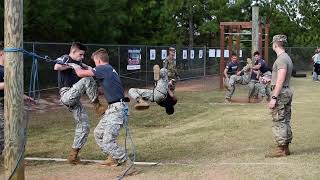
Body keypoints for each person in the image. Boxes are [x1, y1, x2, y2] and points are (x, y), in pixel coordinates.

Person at [68, 48, 134, 169]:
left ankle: (128, 164)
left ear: (98, 60)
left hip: (118, 109)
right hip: (113, 108)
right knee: (98, 133)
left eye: (94, 62)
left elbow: (81, 74)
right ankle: (112, 157)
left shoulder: (103, 68)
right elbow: (105, 90)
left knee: (108, 141)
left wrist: (74, 65)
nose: (94, 65)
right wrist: (93, 90)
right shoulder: (109, 70)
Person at [54, 42, 107, 164]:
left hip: (74, 99)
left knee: (84, 126)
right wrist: (72, 65)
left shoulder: (79, 62)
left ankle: (74, 156)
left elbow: (88, 69)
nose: (82, 56)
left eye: (83, 55)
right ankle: (97, 106)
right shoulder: (65, 58)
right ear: (73, 52)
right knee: (86, 79)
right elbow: (56, 67)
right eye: (80, 54)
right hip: (66, 95)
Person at [0, 41, 35, 156]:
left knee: (18, 129)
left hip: (12, 103)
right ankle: (8, 156)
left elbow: (12, 88)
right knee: (4, 130)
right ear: (1, 54)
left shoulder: (9, 69)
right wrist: (9, 82)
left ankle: (15, 154)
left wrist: (24, 96)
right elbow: (6, 85)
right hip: (2, 104)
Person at [265, 35, 293, 158]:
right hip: (286, 91)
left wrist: (274, 98)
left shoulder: (281, 59)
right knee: (285, 120)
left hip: (280, 93)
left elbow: (281, 78)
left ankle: (281, 149)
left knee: (279, 120)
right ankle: (285, 148)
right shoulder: (286, 57)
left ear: (275, 44)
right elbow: (279, 77)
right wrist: (269, 79)